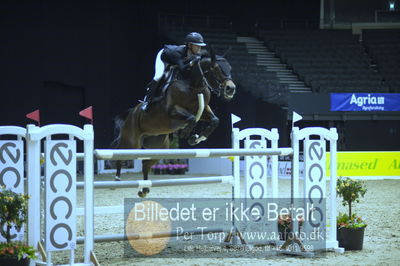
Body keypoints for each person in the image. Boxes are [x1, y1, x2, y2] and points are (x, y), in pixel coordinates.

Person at [141, 32, 207, 111]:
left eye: (200, 46)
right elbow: (182, 70)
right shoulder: (178, 53)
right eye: (197, 46)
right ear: (190, 45)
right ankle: (147, 100)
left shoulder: (194, 53)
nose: (199, 48)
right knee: (158, 76)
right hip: (164, 58)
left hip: (177, 62)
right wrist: (191, 63)